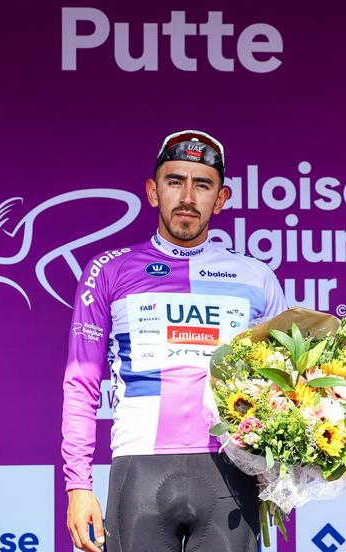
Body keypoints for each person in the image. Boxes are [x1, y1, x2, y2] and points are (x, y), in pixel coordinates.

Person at [62, 130, 287, 552]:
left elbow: (286, 389)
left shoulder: (256, 279)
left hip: (230, 473)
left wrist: (283, 474)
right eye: (174, 181)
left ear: (220, 199)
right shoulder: (107, 271)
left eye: (202, 185)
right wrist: (78, 485)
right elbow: (81, 383)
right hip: (138, 470)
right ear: (152, 191)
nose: (187, 196)